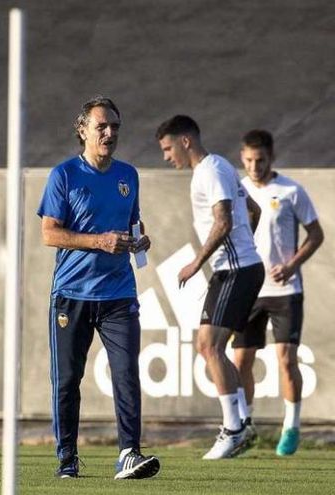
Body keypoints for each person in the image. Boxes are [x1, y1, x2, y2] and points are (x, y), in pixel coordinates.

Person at [39, 96, 159, 480]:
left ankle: (129, 452)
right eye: (102, 126)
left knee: (126, 374)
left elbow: (133, 223)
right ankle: (67, 458)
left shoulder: (129, 176)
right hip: (71, 294)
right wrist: (98, 241)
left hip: (119, 293)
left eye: (115, 128)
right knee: (67, 380)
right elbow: (49, 233)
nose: (110, 134)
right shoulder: (64, 175)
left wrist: (139, 241)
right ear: (83, 130)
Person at [156, 115, 265, 459]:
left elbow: (225, 220)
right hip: (237, 267)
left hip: (235, 270)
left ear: (185, 141)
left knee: (208, 345)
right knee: (213, 348)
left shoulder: (211, 170)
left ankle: (233, 429)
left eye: (167, 147)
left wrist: (197, 263)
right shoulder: (216, 168)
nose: (165, 156)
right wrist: (243, 246)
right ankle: (241, 423)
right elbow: (254, 209)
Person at [232, 129, 324, 456]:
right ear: (242, 159)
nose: (254, 167)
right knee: (241, 360)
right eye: (248, 161)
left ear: (271, 157)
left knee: (286, 360)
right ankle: (244, 428)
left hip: (285, 289)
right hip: (249, 288)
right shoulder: (237, 190)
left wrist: (293, 264)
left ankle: (291, 427)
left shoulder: (290, 191)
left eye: (260, 160)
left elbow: (316, 234)